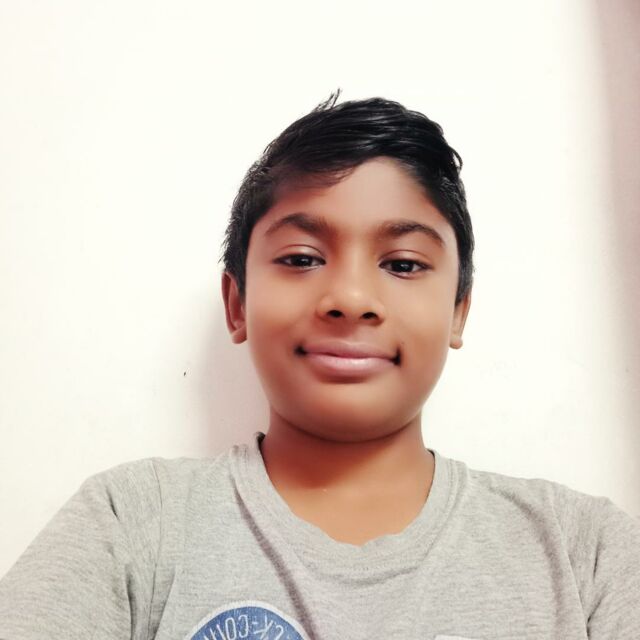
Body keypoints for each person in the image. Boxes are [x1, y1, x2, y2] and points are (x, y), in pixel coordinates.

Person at [1, 90, 639, 640]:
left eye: (403, 264)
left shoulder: (584, 552)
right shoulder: (132, 525)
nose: (351, 299)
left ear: (457, 312)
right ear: (237, 303)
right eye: (302, 258)